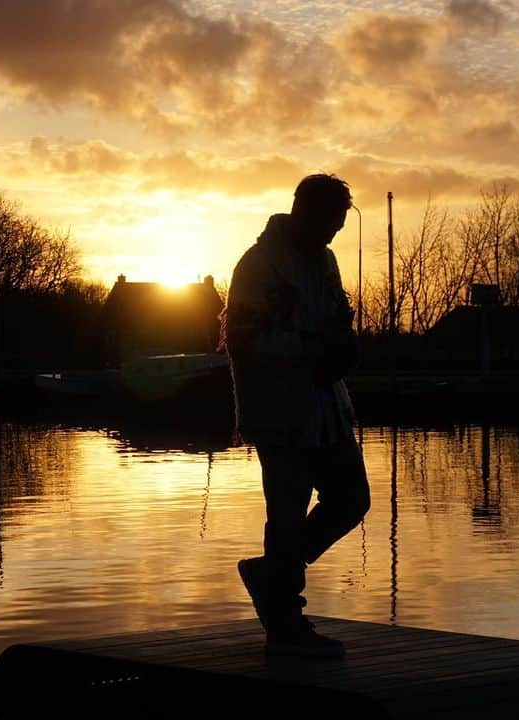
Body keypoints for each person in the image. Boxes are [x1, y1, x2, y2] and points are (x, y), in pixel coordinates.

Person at [221, 174, 369, 658]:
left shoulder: (325, 260)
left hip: (326, 406)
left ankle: (272, 573)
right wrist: (314, 350)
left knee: (351, 499)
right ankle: (286, 626)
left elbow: (335, 319)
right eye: (331, 221)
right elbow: (243, 343)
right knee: (285, 516)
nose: (335, 233)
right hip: (279, 413)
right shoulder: (258, 265)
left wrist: (345, 346)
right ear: (305, 211)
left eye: (341, 223)